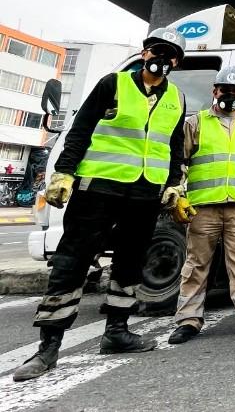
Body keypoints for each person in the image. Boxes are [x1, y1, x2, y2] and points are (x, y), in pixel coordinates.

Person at [14, 28, 187, 382]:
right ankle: (48, 347)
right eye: (157, 51)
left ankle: (117, 332)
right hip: (98, 188)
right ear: (144, 53)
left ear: (176, 63)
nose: (162, 59)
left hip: (145, 192)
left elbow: (173, 145)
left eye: (170, 55)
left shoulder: (177, 99)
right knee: (73, 259)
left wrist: (173, 184)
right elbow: (80, 131)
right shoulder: (113, 84)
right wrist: (63, 173)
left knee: (131, 260)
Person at [168, 66, 235, 344]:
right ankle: (188, 320)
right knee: (196, 265)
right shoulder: (196, 123)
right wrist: (177, 195)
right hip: (202, 207)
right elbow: (179, 164)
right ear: (214, 91)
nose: (231, 96)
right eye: (225, 91)